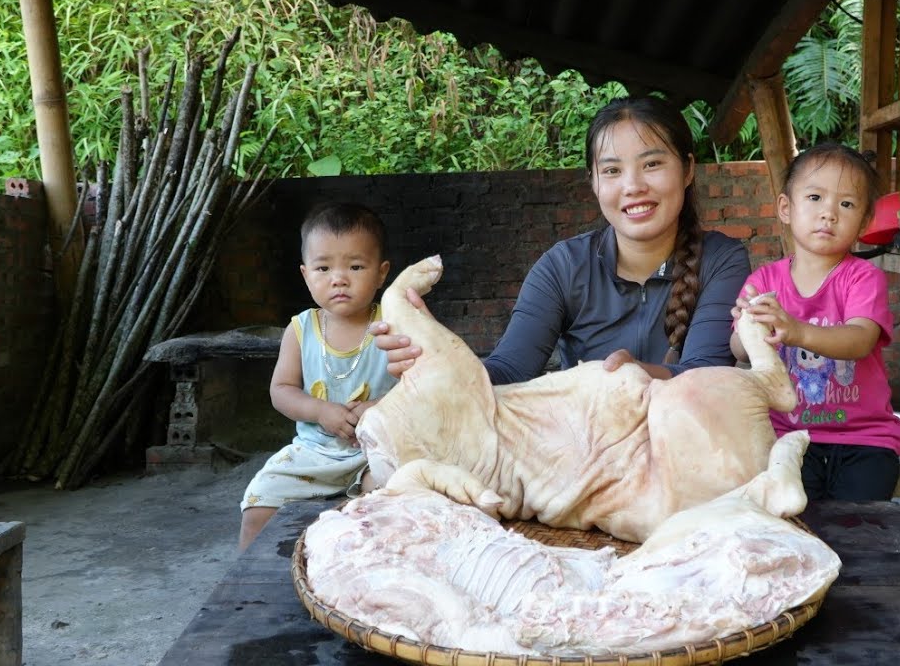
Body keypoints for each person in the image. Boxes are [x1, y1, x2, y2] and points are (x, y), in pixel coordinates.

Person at [371, 95, 752, 384]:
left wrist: (636, 376)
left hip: (686, 451)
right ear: (594, 182)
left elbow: (706, 376)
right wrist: (443, 362)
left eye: (652, 164)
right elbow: (509, 370)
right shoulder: (563, 266)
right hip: (581, 454)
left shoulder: (722, 259)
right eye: (612, 170)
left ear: (687, 170)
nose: (633, 186)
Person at [730, 143, 900, 501]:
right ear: (786, 208)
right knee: (793, 520)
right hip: (788, 437)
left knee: (859, 530)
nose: (829, 213)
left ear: (864, 221)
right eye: (814, 198)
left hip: (864, 440)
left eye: (846, 204)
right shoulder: (764, 282)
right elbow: (739, 352)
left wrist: (797, 331)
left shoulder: (863, 278)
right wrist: (748, 327)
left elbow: (860, 340)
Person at [238, 202, 396, 550]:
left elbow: (423, 386)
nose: (338, 278)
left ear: (382, 273)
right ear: (306, 274)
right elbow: (281, 390)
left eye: (356, 266)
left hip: (378, 450)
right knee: (257, 502)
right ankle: (252, 585)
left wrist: (380, 406)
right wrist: (320, 411)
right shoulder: (301, 330)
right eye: (323, 267)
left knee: (395, 503)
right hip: (313, 454)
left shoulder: (394, 323)